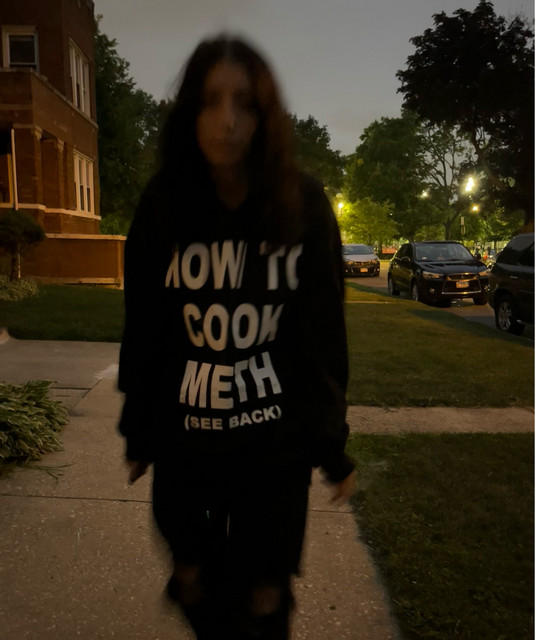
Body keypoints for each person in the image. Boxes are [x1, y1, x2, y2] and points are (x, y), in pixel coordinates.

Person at [117, 33, 355, 640]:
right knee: (192, 578)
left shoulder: (302, 205)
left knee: (265, 599)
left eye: (244, 103)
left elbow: (322, 340)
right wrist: (138, 430)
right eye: (210, 100)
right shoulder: (163, 205)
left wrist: (331, 449)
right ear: (189, 111)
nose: (226, 120)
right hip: (186, 447)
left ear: (264, 115)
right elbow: (145, 327)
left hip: (273, 451)